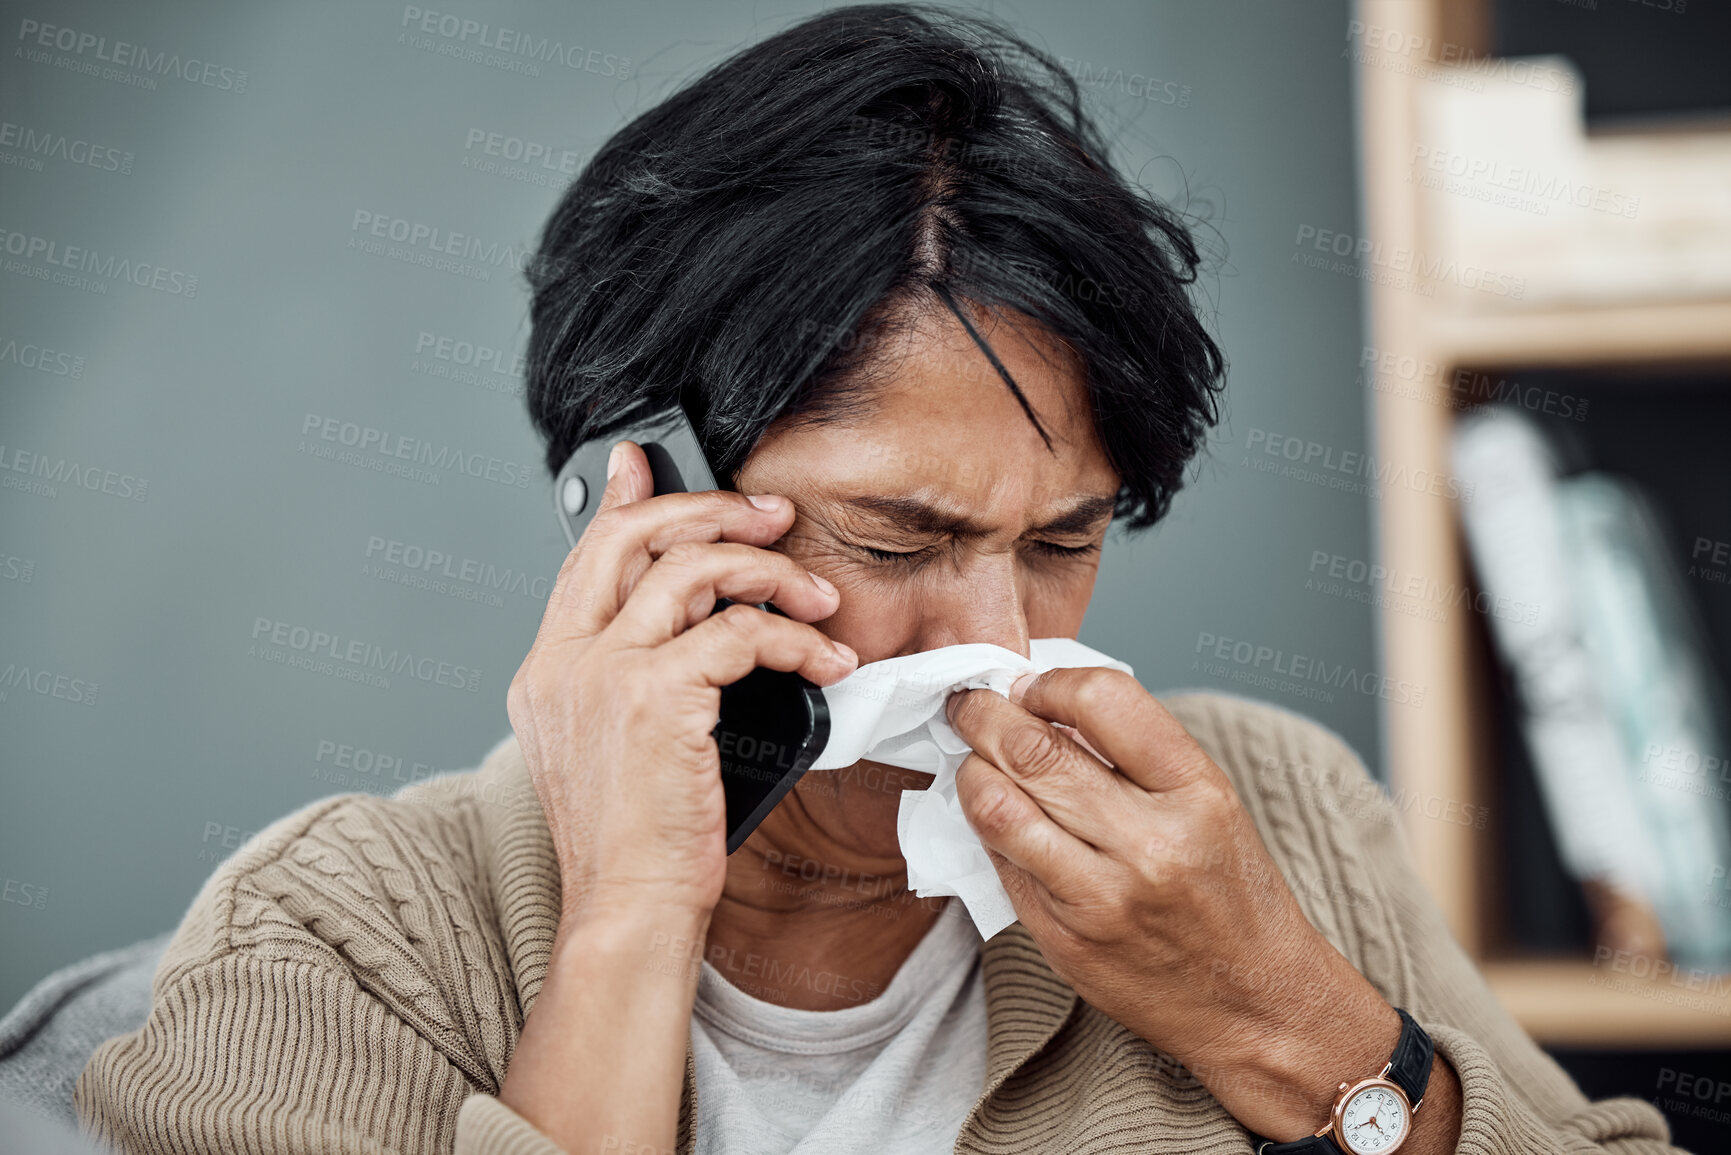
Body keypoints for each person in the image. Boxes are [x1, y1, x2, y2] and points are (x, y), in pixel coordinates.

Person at [76, 6, 1682, 1154]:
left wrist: (1302, 1028)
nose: (998, 644)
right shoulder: (344, 937)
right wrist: (633, 918)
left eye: (1065, 542)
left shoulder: (1274, 808)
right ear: (640, 498)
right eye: (894, 542)